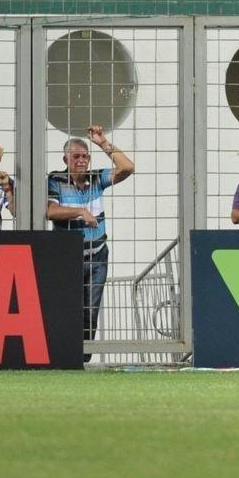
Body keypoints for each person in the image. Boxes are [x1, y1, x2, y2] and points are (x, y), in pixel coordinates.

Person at [47, 126, 135, 363]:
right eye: (76, 156)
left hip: (97, 254)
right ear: (65, 159)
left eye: (85, 156)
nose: (82, 161)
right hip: (69, 255)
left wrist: (102, 142)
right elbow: (50, 211)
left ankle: (82, 357)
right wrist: (80, 212)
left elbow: (128, 168)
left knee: (90, 310)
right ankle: (64, 354)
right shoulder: (56, 179)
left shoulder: (97, 177)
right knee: (68, 306)